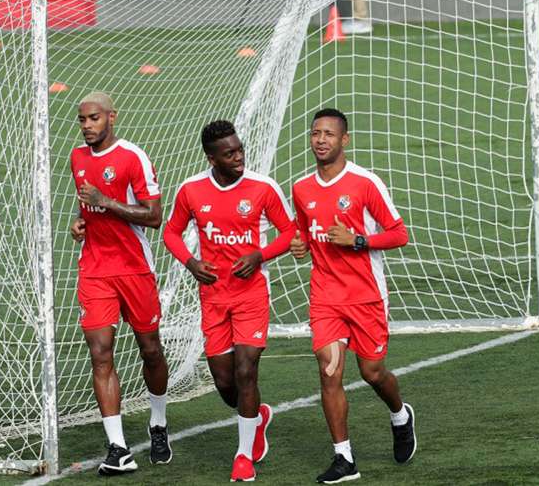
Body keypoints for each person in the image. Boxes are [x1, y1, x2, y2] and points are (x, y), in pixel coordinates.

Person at [163, 120, 296, 482]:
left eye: (240, 150)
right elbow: (171, 232)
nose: (239, 157)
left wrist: (260, 256)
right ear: (211, 157)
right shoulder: (191, 190)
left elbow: (289, 231)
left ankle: (243, 456)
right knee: (224, 382)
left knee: (245, 370)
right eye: (230, 153)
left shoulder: (262, 188)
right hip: (213, 297)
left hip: (251, 294)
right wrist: (190, 263)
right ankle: (257, 416)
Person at [289, 109, 416, 483]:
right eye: (315, 133)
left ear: (344, 140)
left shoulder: (365, 183)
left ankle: (400, 415)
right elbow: (304, 231)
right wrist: (301, 245)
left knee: (372, 372)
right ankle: (344, 459)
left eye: (329, 134)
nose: (321, 140)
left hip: (365, 296)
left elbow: (398, 234)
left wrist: (358, 240)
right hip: (325, 295)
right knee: (329, 373)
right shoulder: (301, 188)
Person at [70, 92, 172, 475]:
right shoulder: (77, 158)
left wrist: (107, 203)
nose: (86, 127)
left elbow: (154, 216)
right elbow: (85, 204)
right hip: (95, 269)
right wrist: (80, 221)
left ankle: (158, 423)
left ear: (111, 117)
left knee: (150, 349)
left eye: (93, 118)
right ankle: (118, 449)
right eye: (81, 120)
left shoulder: (133, 157)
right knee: (100, 353)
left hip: (134, 269)